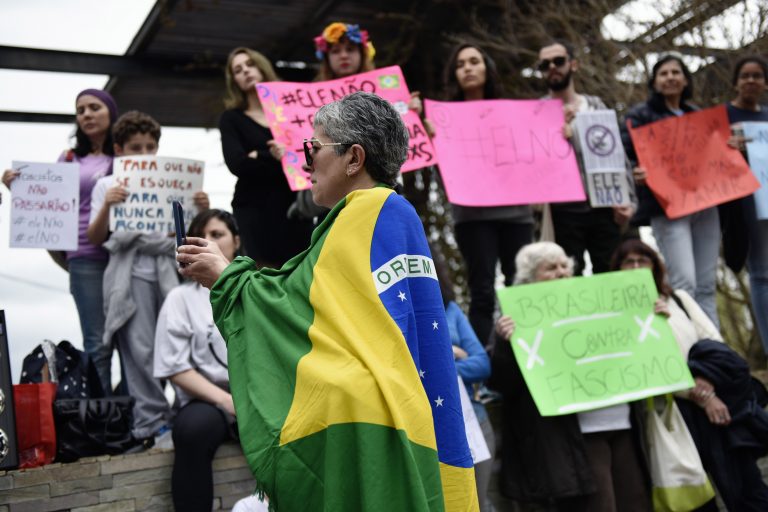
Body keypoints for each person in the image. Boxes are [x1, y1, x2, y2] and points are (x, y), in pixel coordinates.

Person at [178, 92, 478, 511]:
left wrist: (226, 277)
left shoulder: (365, 213)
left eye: (313, 148)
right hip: (404, 413)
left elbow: (295, 307)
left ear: (354, 158)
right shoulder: (388, 211)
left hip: (369, 422)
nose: (305, 161)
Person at [492, 241, 650, 512]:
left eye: (565, 265)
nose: (561, 272)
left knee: (636, 503)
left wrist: (652, 313)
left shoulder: (598, 300)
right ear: (529, 278)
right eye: (550, 268)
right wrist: (505, 343)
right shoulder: (514, 320)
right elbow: (503, 384)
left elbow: (634, 341)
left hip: (622, 423)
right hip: (577, 435)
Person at [611, 238, 768, 511]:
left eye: (642, 260)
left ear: (655, 267)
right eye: (629, 262)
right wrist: (696, 393)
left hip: (712, 403)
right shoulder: (614, 317)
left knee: (746, 488)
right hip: (670, 415)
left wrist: (707, 386)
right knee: (694, 498)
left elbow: (714, 343)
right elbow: (637, 367)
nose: (636, 267)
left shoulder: (679, 300)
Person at [87, 110, 209, 446]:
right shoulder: (107, 185)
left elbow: (192, 233)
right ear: (120, 149)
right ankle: (151, 422)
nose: (143, 151)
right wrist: (107, 206)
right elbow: (95, 237)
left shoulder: (171, 181)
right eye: (135, 146)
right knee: (140, 349)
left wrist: (201, 206)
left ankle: (183, 410)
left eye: (149, 146)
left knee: (177, 341)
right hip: (130, 274)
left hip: (170, 270)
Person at [2, 88, 118, 393]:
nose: (87, 115)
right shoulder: (68, 159)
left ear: (111, 113)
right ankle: (104, 416)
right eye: (81, 110)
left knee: (133, 340)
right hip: (85, 257)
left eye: (94, 107)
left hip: (126, 255)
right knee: (97, 341)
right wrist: (21, 190)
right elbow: (49, 205)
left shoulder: (127, 156)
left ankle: (140, 417)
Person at [440, 43, 534, 347]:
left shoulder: (515, 113)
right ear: (454, 74)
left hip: (516, 213)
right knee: (482, 291)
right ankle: (487, 364)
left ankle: (530, 357)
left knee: (520, 286)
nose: (467, 68)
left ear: (486, 68)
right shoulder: (441, 119)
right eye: (460, 63)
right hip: (472, 216)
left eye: (474, 61)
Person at [154, 209, 246, 511]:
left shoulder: (255, 286)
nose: (207, 242)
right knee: (191, 431)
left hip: (259, 396)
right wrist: (226, 400)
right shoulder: (180, 299)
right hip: (208, 401)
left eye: (216, 235)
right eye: (200, 235)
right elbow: (175, 367)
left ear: (236, 241)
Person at [620, 53, 720, 327]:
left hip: (705, 205)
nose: (670, 78)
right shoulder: (639, 117)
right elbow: (624, 155)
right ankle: (689, 346)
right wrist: (633, 171)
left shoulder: (697, 115)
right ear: (654, 82)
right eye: (663, 73)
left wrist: (729, 147)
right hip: (668, 207)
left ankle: (717, 349)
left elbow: (714, 156)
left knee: (707, 283)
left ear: (686, 79)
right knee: (684, 281)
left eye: (676, 72)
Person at [537, 40, 635, 274]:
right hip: (562, 212)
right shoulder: (537, 112)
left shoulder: (595, 106)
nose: (552, 67)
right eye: (544, 64)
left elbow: (617, 156)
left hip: (603, 207)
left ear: (573, 65)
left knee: (612, 274)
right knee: (569, 278)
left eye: (558, 61)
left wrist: (628, 199)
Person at [219, 47, 313, 267]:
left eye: (250, 64)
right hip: (254, 209)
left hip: (296, 209)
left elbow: (309, 153)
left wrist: (257, 155)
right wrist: (274, 156)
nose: (246, 71)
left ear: (262, 67)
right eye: (238, 70)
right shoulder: (231, 118)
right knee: (266, 275)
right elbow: (237, 164)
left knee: (300, 273)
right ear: (234, 81)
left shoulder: (291, 112)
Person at [435, 258, 494, 512]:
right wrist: (453, 354)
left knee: (480, 502)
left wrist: (438, 368)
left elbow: (482, 364)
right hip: (429, 429)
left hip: (475, 423)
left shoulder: (450, 310)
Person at [722, 56, 768, 354]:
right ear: (736, 81)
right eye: (745, 75)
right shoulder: (722, 116)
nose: (751, 81)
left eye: (757, 76)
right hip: (749, 205)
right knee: (762, 274)